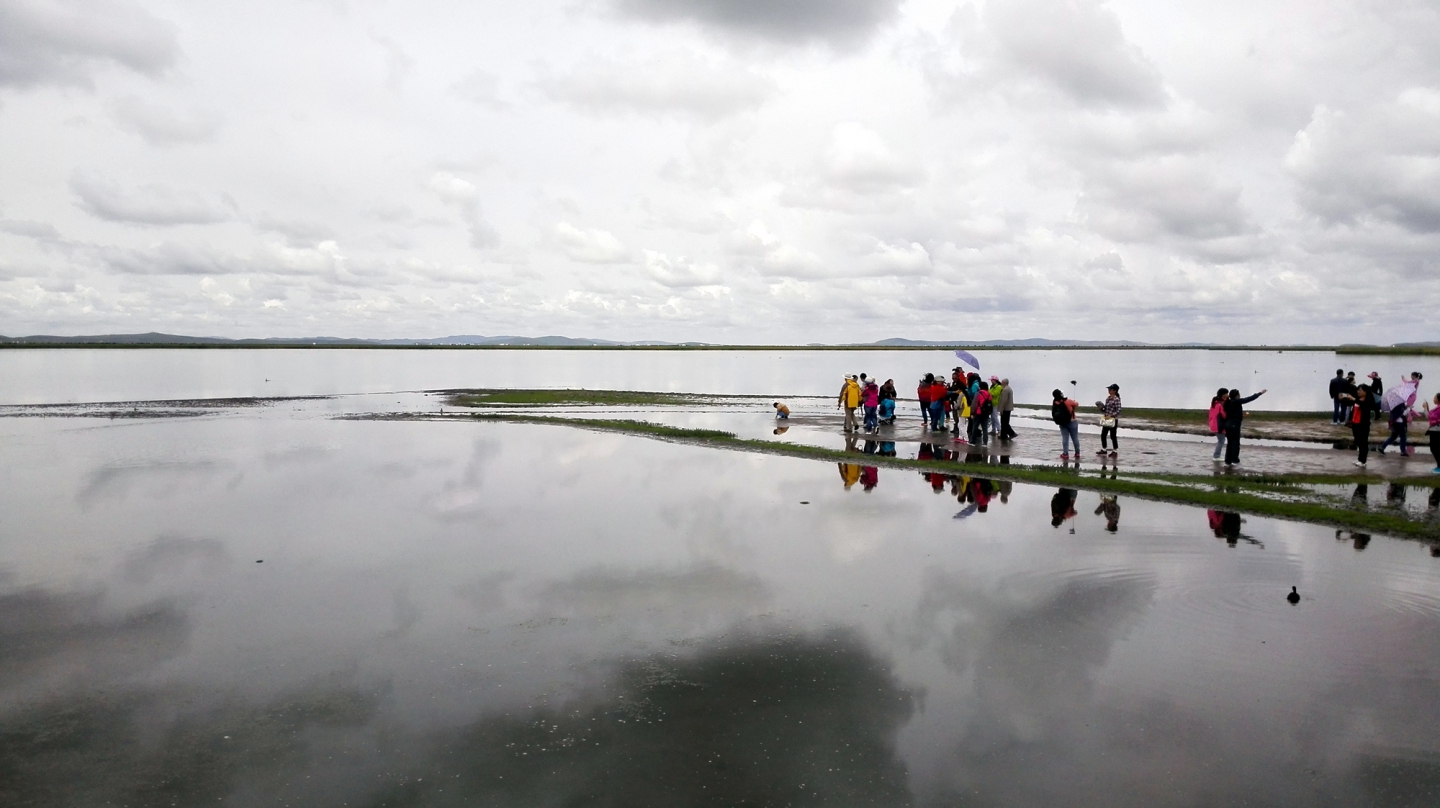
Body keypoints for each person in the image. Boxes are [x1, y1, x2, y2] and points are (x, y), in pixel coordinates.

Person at [1378, 372, 1424, 456]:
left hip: (1393, 422)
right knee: (1403, 437)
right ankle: (1403, 451)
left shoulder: (1392, 403)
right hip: (1399, 422)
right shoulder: (1400, 403)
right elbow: (1403, 413)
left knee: (1393, 436)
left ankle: (1382, 447)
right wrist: (1408, 408)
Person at [1222, 387, 1268, 467]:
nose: (1240, 396)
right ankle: (1235, 460)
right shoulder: (1236, 401)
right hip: (1234, 425)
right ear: (1236, 395)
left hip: (1227, 424)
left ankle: (1228, 461)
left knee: (1230, 443)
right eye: (1239, 395)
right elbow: (1248, 399)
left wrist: (1241, 415)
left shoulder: (1228, 402)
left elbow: (1231, 413)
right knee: (1235, 443)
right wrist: (1260, 393)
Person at [1052, 388, 1080, 459]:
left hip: (1062, 423)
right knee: (1075, 438)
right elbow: (1077, 404)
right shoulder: (1068, 401)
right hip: (1072, 421)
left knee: (1065, 438)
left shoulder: (1055, 403)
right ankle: (1077, 453)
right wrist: (1073, 403)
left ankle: (1065, 454)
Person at [1095, 383, 1121, 458]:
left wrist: (1111, 415)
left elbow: (1119, 410)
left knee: (1113, 436)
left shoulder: (1116, 399)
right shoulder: (1108, 398)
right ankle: (1104, 449)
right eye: (1109, 389)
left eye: (1111, 389)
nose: (1109, 390)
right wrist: (1101, 408)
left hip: (1113, 420)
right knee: (1103, 434)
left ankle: (1115, 451)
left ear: (1115, 391)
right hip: (1106, 419)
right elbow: (1105, 409)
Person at [1349, 386, 1372, 467]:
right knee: (1358, 441)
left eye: (1360, 390)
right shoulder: (1357, 400)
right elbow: (1353, 410)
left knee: (1363, 442)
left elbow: (1364, 406)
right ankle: (1359, 459)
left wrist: (1354, 399)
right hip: (1355, 423)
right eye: (1358, 390)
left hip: (1363, 425)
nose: (1358, 392)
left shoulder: (1367, 401)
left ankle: (1363, 461)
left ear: (1365, 392)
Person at [1208, 388, 1229, 460]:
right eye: (1227, 393)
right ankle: (1216, 456)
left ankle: (1217, 455)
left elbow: (1211, 414)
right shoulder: (1221, 404)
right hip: (1219, 425)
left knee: (1221, 440)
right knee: (1221, 441)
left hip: (1214, 424)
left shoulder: (1215, 403)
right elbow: (1224, 415)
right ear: (1223, 395)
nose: (1228, 394)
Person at [1425, 393, 1440, 473]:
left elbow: (1430, 417)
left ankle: (1439, 467)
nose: (1433, 399)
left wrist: (1425, 408)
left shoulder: (1439, 409)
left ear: (1438, 399)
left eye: (1434, 398)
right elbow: (1429, 415)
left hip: (1436, 431)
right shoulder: (1437, 408)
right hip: (1435, 430)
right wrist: (1426, 408)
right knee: (1436, 448)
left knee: (1434, 448)